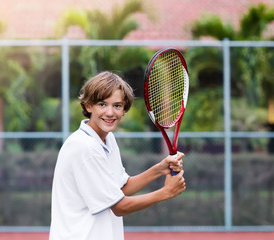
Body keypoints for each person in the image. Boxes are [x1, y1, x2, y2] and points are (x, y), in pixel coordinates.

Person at [49, 71, 186, 240]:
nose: (110, 112)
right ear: (88, 106)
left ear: (124, 110)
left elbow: (121, 189)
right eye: (102, 104)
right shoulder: (84, 147)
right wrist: (165, 192)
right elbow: (119, 206)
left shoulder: (107, 140)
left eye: (117, 105)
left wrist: (159, 169)